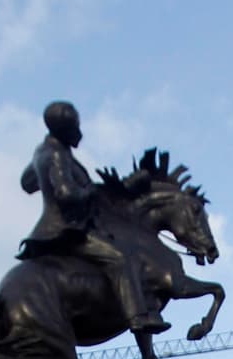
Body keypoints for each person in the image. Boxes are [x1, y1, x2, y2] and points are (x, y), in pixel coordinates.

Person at [19, 100, 167, 334]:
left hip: (47, 229)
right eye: (76, 127)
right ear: (65, 130)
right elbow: (67, 194)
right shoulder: (57, 154)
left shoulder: (43, 151)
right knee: (121, 258)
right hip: (66, 230)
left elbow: (26, 183)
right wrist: (88, 189)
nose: (80, 133)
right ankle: (138, 316)